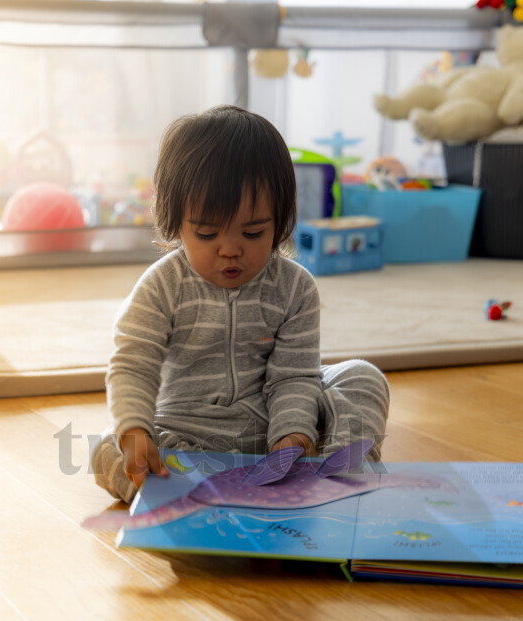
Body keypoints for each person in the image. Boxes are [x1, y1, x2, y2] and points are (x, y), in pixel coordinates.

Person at [92, 105, 389, 502]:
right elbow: (133, 363)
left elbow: (293, 376)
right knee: (106, 448)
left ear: (279, 219)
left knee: (360, 375)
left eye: (252, 232)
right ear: (176, 221)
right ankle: (175, 495)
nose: (230, 249)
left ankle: (342, 475)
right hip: (187, 436)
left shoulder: (295, 287)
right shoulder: (162, 285)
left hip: (267, 432)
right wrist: (135, 430)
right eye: (207, 233)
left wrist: (293, 435)